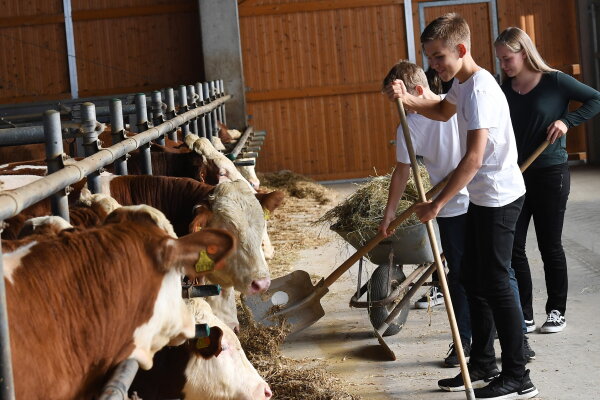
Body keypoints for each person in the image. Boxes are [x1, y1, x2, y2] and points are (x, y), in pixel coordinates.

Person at [384, 13, 538, 399]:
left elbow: (472, 159)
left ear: (461, 50)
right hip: (483, 197)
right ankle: (484, 364)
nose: (434, 66)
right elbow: (439, 109)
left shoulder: (481, 90)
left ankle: (519, 376)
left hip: (500, 196)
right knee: (471, 278)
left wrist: (436, 202)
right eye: (429, 58)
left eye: (438, 58)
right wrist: (408, 98)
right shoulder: (463, 85)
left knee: (496, 282)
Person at [495, 27, 600, 334]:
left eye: (507, 58)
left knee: (549, 244)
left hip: (551, 173)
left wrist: (567, 121)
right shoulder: (506, 88)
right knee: (514, 246)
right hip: (516, 175)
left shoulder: (555, 81)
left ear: (524, 53)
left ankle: (556, 310)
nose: (504, 65)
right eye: (500, 60)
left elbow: (595, 99)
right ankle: (524, 313)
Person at [378, 61, 472, 368]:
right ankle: (466, 342)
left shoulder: (455, 106)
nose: (398, 108)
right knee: (459, 276)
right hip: (448, 207)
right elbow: (402, 172)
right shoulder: (408, 126)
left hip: (479, 198)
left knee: (489, 272)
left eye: (400, 101)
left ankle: (502, 339)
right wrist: (389, 214)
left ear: (418, 91)